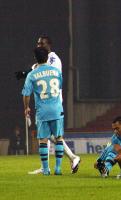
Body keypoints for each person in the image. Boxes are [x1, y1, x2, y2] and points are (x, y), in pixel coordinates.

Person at [15, 36, 80, 174]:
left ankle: (67, 159)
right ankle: (51, 166)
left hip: (49, 102)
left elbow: (39, 75)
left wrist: (28, 75)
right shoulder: (46, 62)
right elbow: (56, 78)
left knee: (45, 137)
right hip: (54, 104)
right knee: (55, 136)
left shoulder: (53, 59)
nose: (39, 45)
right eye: (38, 43)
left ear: (49, 44)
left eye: (41, 43)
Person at [22, 47, 65, 175]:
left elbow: (26, 94)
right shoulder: (56, 72)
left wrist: (26, 107)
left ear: (35, 58)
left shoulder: (32, 74)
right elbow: (60, 86)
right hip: (57, 109)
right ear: (47, 57)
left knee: (43, 140)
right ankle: (58, 168)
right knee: (59, 138)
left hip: (42, 111)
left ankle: (46, 169)